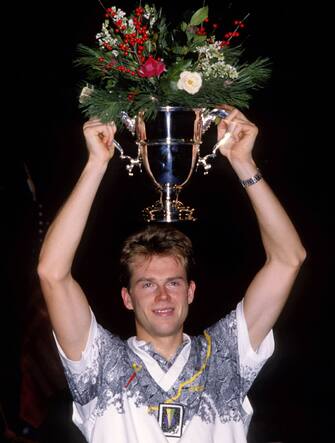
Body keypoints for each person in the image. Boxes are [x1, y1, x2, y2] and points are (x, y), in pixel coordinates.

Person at [37, 106, 306, 443]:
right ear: (127, 297)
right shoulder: (99, 365)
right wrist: (96, 164)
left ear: (190, 291)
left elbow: (288, 259)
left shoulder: (226, 357)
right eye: (147, 285)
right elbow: (52, 272)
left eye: (173, 283)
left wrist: (243, 162)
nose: (162, 296)